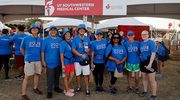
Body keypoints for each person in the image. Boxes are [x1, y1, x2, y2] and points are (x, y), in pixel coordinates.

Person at [20, 24, 43, 100]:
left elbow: (42, 51)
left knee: (37, 74)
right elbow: (21, 48)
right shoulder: (26, 39)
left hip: (38, 60)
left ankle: (35, 88)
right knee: (27, 77)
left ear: (38, 30)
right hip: (29, 60)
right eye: (33, 29)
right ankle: (23, 94)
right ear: (31, 30)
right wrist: (26, 56)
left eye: (36, 29)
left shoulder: (40, 40)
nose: (34, 30)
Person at [41, 26, 63, 98]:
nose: (53, 31)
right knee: (50, 78)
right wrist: (43, 61)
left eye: (54, 30)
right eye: (51, 30)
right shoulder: (46, 40)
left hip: (58, 62)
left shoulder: (59, 40)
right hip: (49, 63)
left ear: (57, 31)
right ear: (49, 31)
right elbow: (42, 51)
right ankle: (49, 91)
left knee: (57, 76)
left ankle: (56, 87)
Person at [72, 24, 91, 96]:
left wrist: (88, 49)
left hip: (85, 59)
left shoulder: (87, 38)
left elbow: (89, 48)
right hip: (77, 60)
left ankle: (87, 88)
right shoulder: (75, 39)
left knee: (86, 75)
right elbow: (73, 50)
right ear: (78, 30)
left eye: (83, 29)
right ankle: (79, 86)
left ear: (85, 31)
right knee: (78, 74)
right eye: (80, 29)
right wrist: (80, 55)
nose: (82, 30)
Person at [139, 30, 157, 100]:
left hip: (151, 62)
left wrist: (150, 64)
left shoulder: (151, 42)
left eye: (145, 34)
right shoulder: (141, 43)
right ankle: (145, 91)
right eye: (142, 34)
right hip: (143, 62)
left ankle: (154, 95)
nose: (144, 35)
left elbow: (153, 53)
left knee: (152, 79)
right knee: (144, 78)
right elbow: (141, 53)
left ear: (148, 35)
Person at [60, 30, 75, 97]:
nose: (67, 35)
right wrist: (62, 64)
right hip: (66, 62)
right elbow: (61, 54)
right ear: (64, 36)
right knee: (66, 76)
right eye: (66, 34)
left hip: (71, 62)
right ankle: (66, 90)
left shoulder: (71, 42)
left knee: (72, 75)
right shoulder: (63, 43)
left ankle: (66, 88)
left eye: (68, 34)